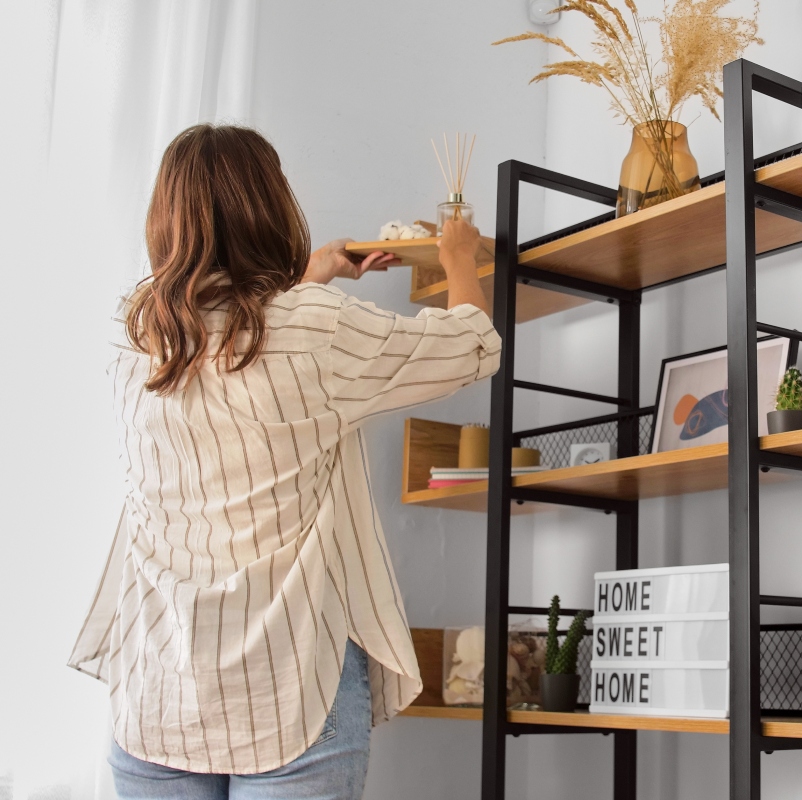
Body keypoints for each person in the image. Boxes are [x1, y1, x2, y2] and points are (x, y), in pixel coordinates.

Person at [67, 124, 499, 798]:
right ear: (271, 207)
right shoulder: (318, 329)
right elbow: (472, 345)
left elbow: (234, 347)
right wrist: (460, 257)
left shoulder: (138, 336)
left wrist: (308, 277)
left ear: (166, 218)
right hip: (292, 688)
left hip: (157, 696)